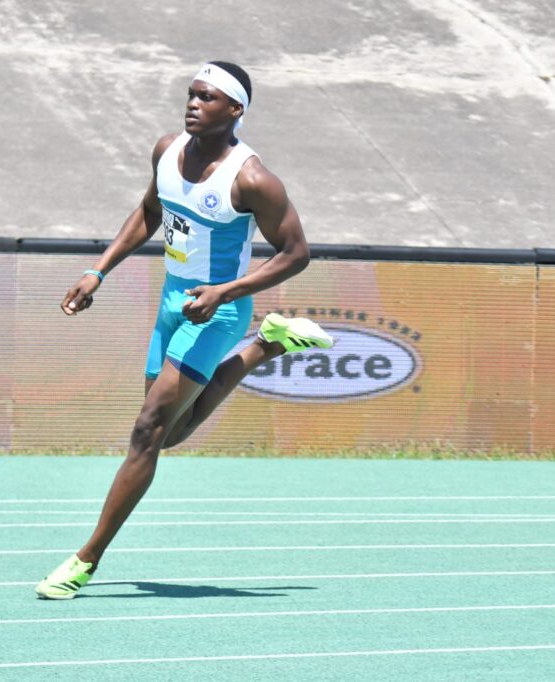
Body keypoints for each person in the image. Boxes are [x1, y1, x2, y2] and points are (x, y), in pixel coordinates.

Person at [36, 61, 334, 598]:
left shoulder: (252, 179)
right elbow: (149, 212)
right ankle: (268, 345)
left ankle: (85, 560)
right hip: (173, 300)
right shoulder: (166, 150)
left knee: (147, 429)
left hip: (216, 309)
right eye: (191, 94)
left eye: (208, 97)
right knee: (167, 433)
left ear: (235, 109)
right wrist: (97, 270)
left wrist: (228, 291)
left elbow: (297, 254)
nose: (193, 103)